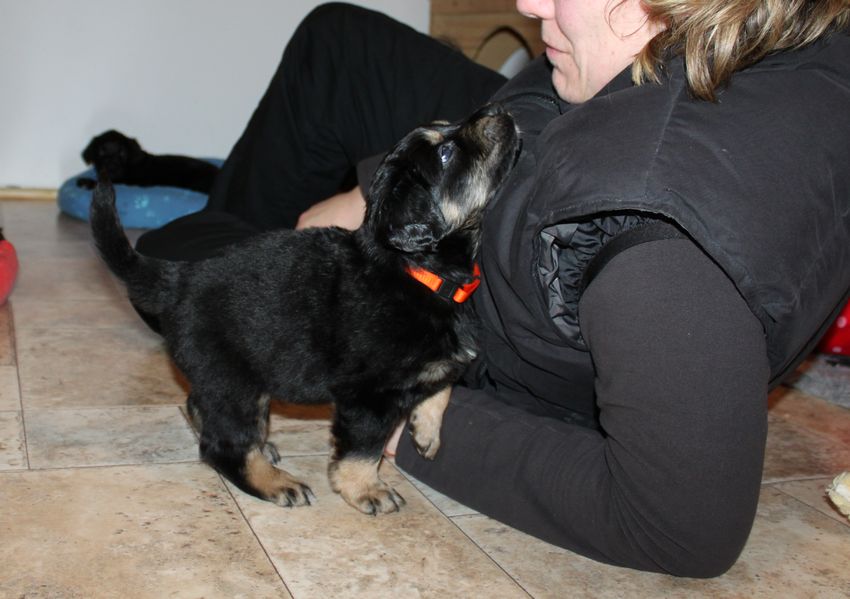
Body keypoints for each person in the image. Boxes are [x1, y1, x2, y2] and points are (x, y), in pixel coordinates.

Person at [126, 1, 850, 577]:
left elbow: (682, 528)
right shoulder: (727, 35)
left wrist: (398, 403)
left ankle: (217, 279)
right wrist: (378, 189)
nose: (528, 4)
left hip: (488, 289)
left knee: (178, 267)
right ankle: (238, 232)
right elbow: (555, 96)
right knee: (336, 40)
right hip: (543, 156)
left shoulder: (662, 262)